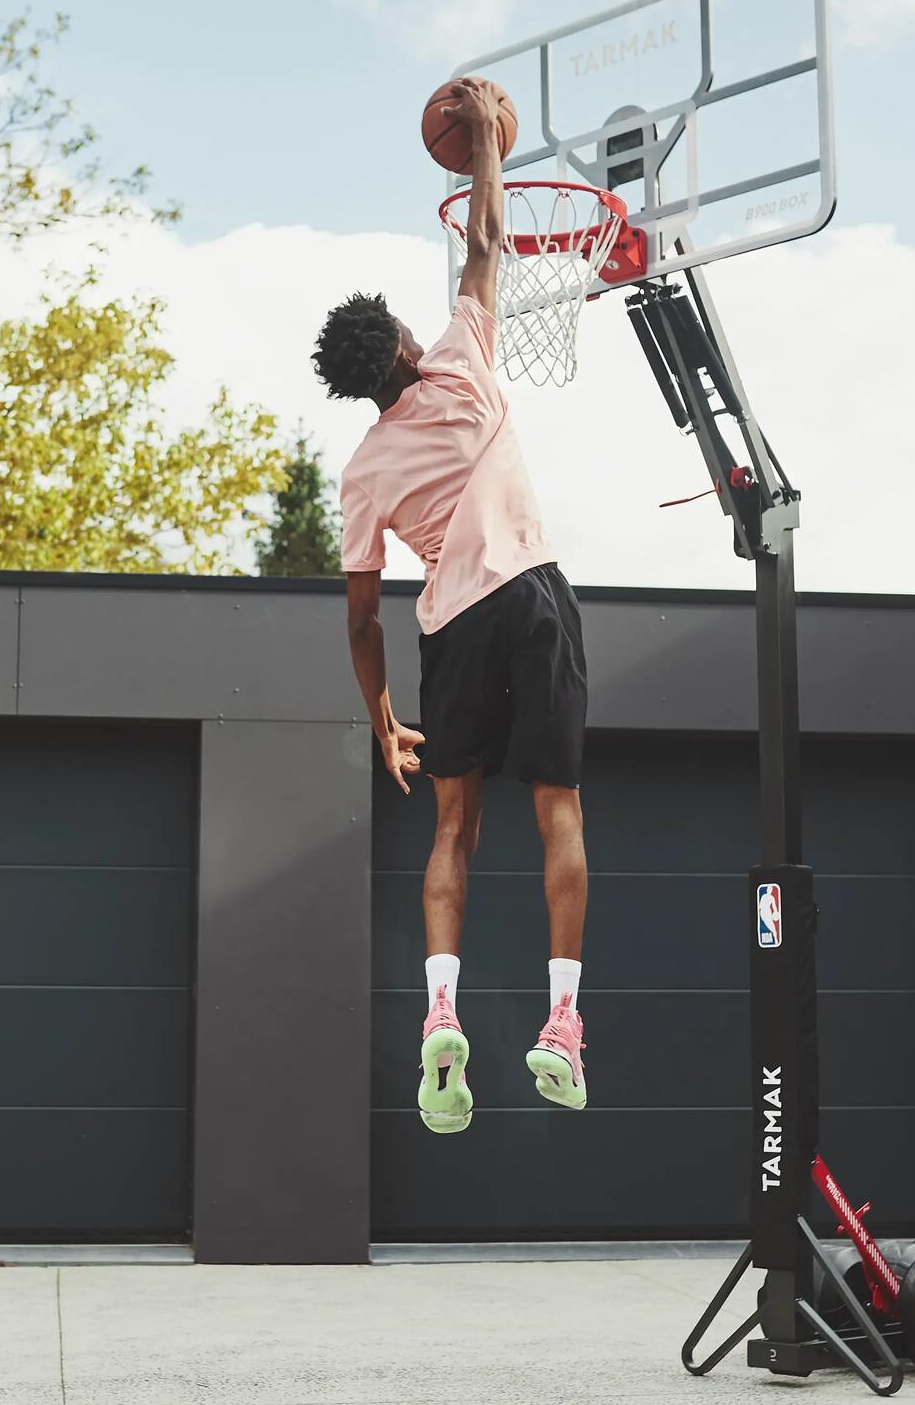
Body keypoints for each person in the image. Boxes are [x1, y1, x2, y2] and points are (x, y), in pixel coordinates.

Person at [311, 76, 589, 1136]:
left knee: (455, 823)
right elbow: (484, 238)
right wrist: (486, 149)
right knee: (556, 808)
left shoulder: (364, 471)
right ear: (403, 346)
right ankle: (562, 1021)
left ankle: (442, 1012)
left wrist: (381, 719)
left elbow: (360, 617)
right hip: (534, 595)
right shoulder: (466, 355)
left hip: (450, 626)